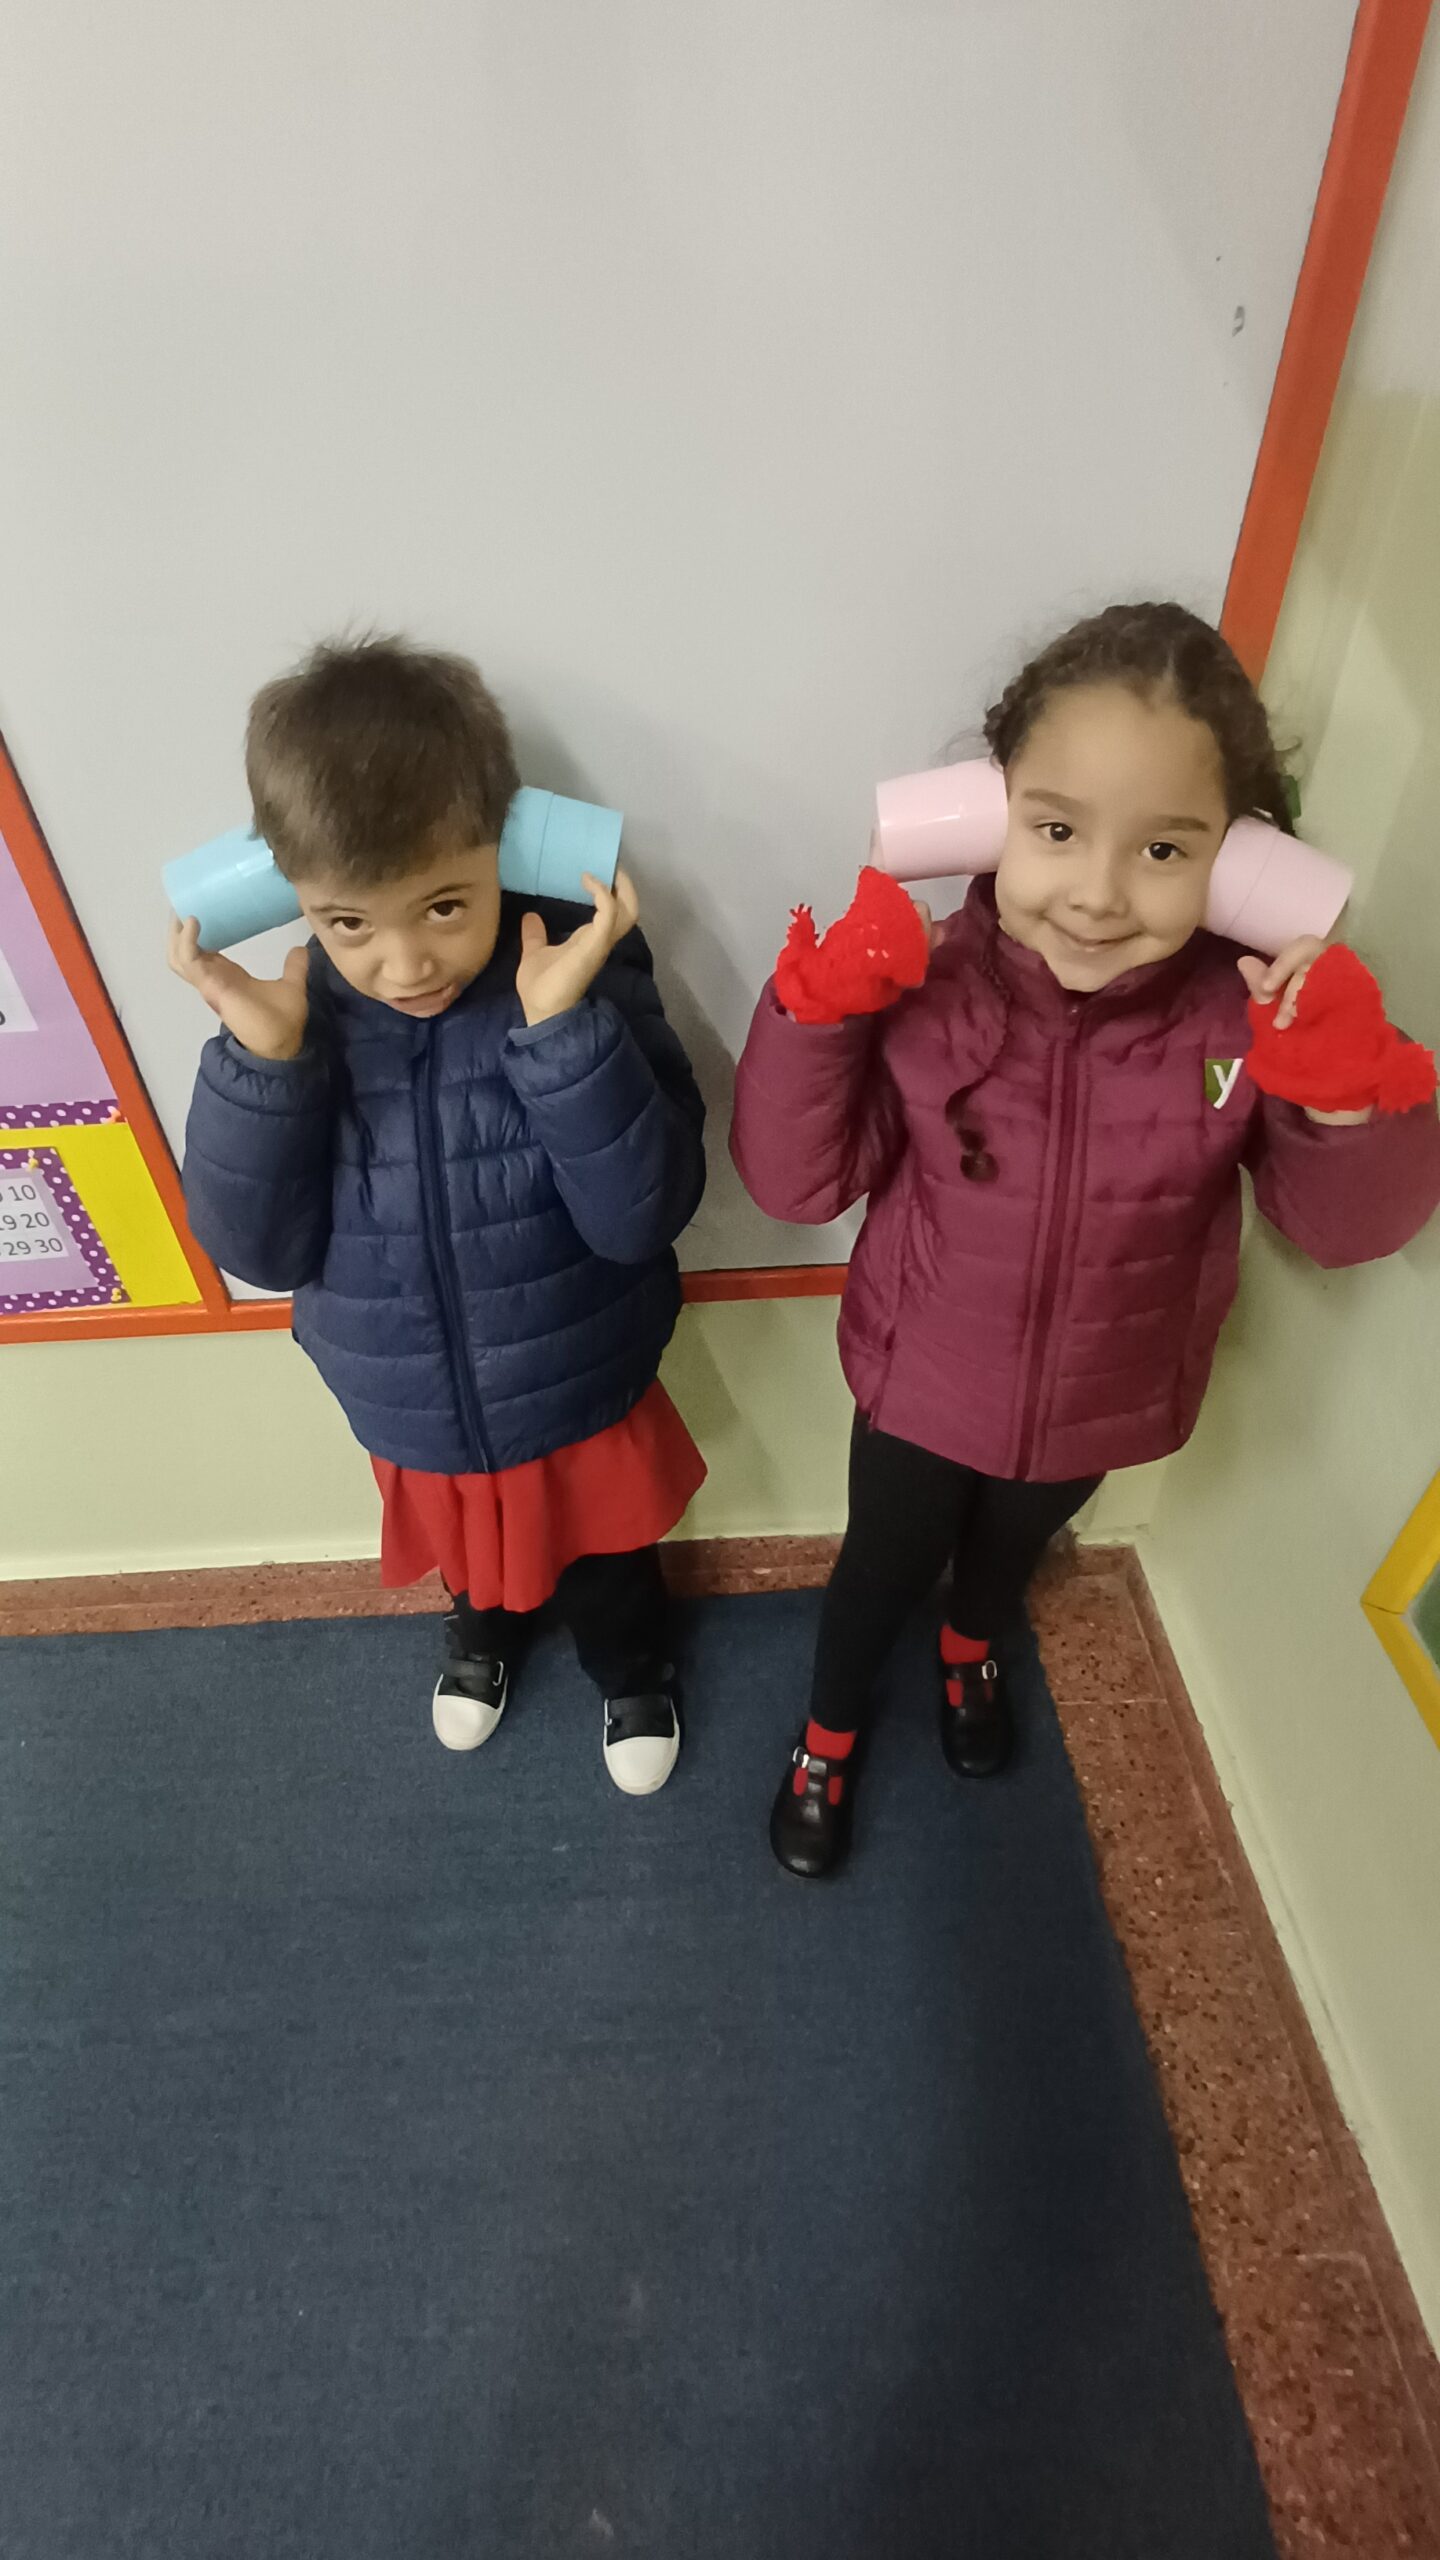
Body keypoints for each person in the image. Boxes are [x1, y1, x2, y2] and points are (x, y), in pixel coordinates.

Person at [731, 602, 1440, 1879]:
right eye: (1056, 831)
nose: (1101, 894)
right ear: (985, 817)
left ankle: (970, 1649)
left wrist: (1345, 1097)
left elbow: (1340, 1231)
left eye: (1165, 849)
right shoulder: (924, 985)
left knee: (1010, 1552)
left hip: (1106, 1395)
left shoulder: (1241, 1024)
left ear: (1242, 864)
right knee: (880, 1566)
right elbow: (796, 1182)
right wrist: (818, 1016)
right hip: (920, 1386)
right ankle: (827, 1734)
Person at [172, 636, 707, 1795]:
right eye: (349, 923)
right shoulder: (296, 1016)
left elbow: (643, 1215)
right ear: (289, 894)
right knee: (470, 1560)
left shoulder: (581, 976)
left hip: (574, 1377)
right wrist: (264, 1063)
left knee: (608, 1559)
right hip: (409, 1399)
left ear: (508, 849)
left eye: (445, 905)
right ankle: (480, 1636)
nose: (405, 961)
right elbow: (257, 1251)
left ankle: (632, 1667)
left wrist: (563, 1037)